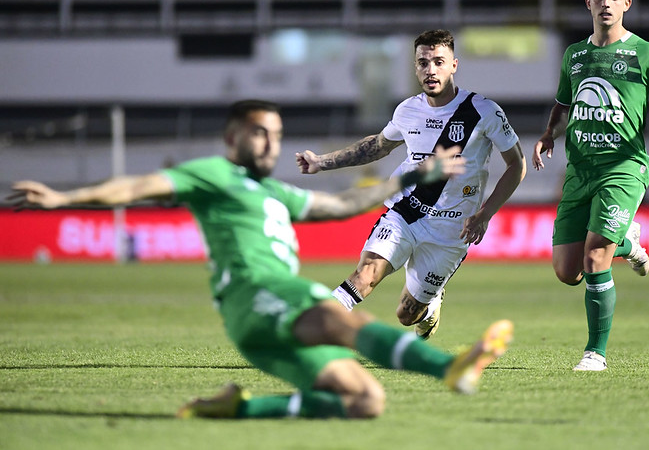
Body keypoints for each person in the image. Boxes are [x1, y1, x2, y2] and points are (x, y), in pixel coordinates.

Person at [9, 99, 514, 420]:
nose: (270, 141)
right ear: (232, 139)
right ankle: (449, 367)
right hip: (261, 296)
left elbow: (341, 205)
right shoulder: (211, 174)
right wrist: (61, 199)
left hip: (257, 329)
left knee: (365, 402)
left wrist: (412, 176)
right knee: (342, 319)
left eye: (275, 133)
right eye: (258, 132)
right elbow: (137, 186)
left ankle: (240, 408)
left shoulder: (274, 191)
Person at [296, 29, 526, 340]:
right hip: (406, 212)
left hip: (452, 230)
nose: (430, 70)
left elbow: (516, 165)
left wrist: (484, 215)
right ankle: (312, 332)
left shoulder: (483, 111)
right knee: (366, 275)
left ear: (454, 65)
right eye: (423, 63)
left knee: (407, 314)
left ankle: (430, 306)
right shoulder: (408, 110)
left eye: (438, 62)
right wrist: (322, 162)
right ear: (415, 67)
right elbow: (376, 146)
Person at [532, 0, 649, 371]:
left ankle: (595, 354)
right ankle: (628, 242)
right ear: (588, 2)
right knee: (566, 272)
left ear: (627, 4)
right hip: (579, 171)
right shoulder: (575, 55)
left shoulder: (646, 53)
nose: (606, 3)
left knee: (594, 261)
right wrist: (549, 134)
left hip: (624, 168)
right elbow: (563, 103)